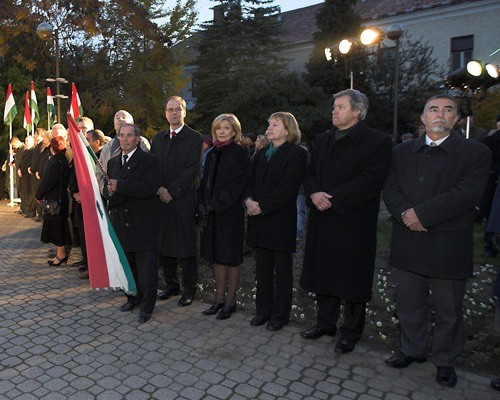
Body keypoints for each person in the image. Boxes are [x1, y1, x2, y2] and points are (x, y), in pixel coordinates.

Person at [383, 94, 491, 387]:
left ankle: (444, 360)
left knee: (448, 309)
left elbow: (467, 194)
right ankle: (412, 349)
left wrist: (422, 215)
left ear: (456, 119)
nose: (440, 114)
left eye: (447, 110)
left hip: (448, 243)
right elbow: (390, 188)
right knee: (409, 302)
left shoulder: (475, 153)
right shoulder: (402, 151)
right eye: (433, 109)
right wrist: (406, 214)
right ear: (423, 117)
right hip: (408, 237)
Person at [300, 89, 392, 354]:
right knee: (324, 272)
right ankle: (325, 323)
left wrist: (333, 199)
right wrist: (314, 193)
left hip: (353, 222)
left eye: (340, 107)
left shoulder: (377, 142)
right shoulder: (323, 139)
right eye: (334, 106)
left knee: (352, 278)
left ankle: (351, 332)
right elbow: (309, 173)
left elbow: (370, 181)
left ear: (357, 111)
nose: (334, 111)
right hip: (323, 219)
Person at [245, 112, 307, 331]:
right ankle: (263, 311)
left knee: (282, 272)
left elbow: (288, 189)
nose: (269, 128)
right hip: (259, 221)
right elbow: (249, 182)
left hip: (279, 221)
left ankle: (280, 315)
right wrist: (248, 200)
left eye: (275, 125)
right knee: (262, 270)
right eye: (269, 124)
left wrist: (261, 205)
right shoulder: (262, 154)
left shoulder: (297, 154)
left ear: (288, 130)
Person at [105, 123, 161, 324]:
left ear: (137, 139)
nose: (125, 139)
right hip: (121, 222)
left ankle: (147, 306)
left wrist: (120, 185)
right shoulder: (112, 163)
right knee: (128, 266)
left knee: (146, 269)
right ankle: (132, 298)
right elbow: (110, 191)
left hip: (143, 222)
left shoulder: (150, 161)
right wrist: (109, 192)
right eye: (122, 135)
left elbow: (149, 188)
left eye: (130, 135)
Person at [151, 96, 203, 307]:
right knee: (165, 245)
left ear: (184, 112)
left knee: (186, 246)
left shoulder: (195, 138)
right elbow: (153, 167)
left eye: (178, 109)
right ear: (165, 114)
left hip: (183, 200)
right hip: (161, 201)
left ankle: (190, 288)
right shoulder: (158, 139)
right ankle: (171, 284)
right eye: (170, 109)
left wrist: (171, 191)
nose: (174, 113)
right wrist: (159, 189)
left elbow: (192, 170)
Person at [198, 114, 250, 320]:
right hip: (211, 214)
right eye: (218, 127)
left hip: (230, 213)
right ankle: (219, 300)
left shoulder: (240, 152)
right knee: (216, 256)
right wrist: (202, 203)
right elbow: (204, 182)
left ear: (234, 131)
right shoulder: (211, 153)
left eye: (226, 127)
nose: (221, 131)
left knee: (231, 258)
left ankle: (230, 302)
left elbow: (237, 185)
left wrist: (215, 204)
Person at [35, 136, 72, 266]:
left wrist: (38, 195)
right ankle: (60, 254)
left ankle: (61, 255)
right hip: (60, 198)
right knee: (59, 227)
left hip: (55, 200)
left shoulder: (56, 162)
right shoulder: (63, 160)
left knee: (58, 228)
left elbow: (47, 182)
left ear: (52, 148)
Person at [97, 110, 150, 195]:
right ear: (114, 125)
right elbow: (100, 173)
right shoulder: (107, 147)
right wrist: (106, 191)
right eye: (117, 118)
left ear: (132, 123)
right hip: (113, 198)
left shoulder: (141, 142)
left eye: (124, 117)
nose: (120, 119)